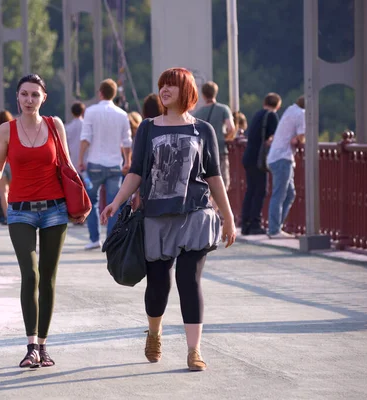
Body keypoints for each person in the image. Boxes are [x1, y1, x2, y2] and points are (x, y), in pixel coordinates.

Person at [100, 67, 237, 371]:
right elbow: (136, 171)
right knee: (158, 285)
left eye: (171, 86)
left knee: (189, 281)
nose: (164, 90)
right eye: (162, 85)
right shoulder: (148, 127)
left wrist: (228, 217)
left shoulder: (203, 129)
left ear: (186, 91)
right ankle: (154, 331)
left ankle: (194, 350)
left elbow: (213, 177)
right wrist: (117, 201)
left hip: (195, 214)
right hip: (157, 217)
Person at [0, 74, 79, 369]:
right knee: (31, 274)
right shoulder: (6, 129)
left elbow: (67, 164)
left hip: (55, 209)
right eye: (24, 94)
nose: (29, 100)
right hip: (20, 210)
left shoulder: (55, 125)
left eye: (34, 95)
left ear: (43, 98)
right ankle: (30, 347)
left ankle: (44, 347)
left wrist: (81, 199)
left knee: (48, 278)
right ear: (17, 97)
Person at [79, 79, 132, 250]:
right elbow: (127, 142)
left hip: (94, 163)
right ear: (114, 94)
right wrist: (128, 161)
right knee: (114, 203)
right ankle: (111, 239)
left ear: (100, 93)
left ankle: (94, 238)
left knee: (91, 201)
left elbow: (86, 138)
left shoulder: (91, 112)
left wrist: (80, 159)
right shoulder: (122, 115)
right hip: (115, 165)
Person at [240, 93, 282, 235]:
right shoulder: (272, 116)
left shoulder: (258, 114)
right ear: (278, 105)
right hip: (259, 158)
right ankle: (255, 223)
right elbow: (275, 137)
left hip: (248, 156)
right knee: (261, 190)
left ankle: (245, 222)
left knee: (251, 189)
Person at [267, 95, 305, 238]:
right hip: (283, 157)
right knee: (280, 194)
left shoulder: (290, 110)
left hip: (276, 156)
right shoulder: (301, 114)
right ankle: (274, 230)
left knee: (289, 194)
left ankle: (276, 226)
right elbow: (301, 136)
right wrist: (299, 138)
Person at [191, 81, 235, 190]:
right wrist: (225, 138)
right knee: (223, 182)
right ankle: (215, 207)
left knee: (206, 182)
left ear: (203, 94)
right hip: (220, 148)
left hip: (203, 151)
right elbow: (231, 128)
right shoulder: (223, 109)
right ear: (215, 93)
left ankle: (209, 206)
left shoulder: (198, 113)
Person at [64, 102, 85, 172]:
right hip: (86, 160)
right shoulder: (87, 126)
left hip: (72, 160)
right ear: (83, 111)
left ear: (72, 113)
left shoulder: (67, 128)